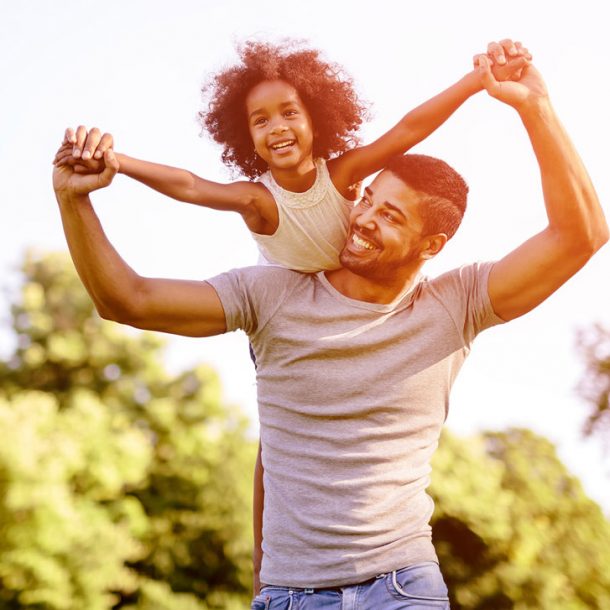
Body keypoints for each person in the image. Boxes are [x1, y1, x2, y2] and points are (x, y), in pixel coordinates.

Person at [52, 42, 607, 609]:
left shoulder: (455, 304)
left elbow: (580, 235)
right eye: (369, 199)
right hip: (290, 596)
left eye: (390, 215)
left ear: (431, 245)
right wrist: (75, 202)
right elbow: (129, 300)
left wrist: (536, 108)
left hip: (402, 587)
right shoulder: (270, 294)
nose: (363, 217)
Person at [53, 39, 529, 272]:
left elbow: (406, 130)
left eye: (288, 113)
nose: (277, 128)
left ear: (316, 120)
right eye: (260, 121)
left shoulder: (341, 175)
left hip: (348, 300)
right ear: (247, 137)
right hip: (283, 315)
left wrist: (475, 82)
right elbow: (191, 185)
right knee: (277, 428)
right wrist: (121, 163)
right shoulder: (261, 202)